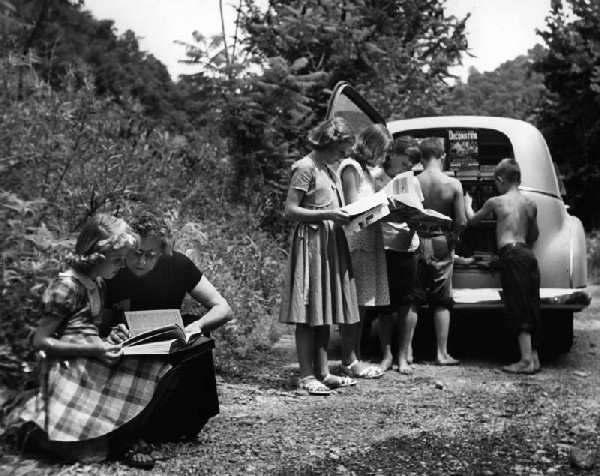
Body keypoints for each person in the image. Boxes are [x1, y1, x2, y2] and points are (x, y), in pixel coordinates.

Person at [3, 214, 172, 469]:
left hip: (90, 357)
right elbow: (41, 340)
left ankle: (122, 435)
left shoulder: (97, 283)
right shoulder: (67, 287)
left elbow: (89, 328)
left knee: (154, 367)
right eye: (117, 260)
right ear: (97, 257)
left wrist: (110, 337)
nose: (122, 266)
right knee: (91, 454)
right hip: (68, 367)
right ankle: (38, 431)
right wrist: (94, 348)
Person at [104, 210, 232, 441]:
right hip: (124, 346)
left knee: (196, 328)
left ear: (162, 251)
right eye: (136, 253)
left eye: (150, 254)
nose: (141, 261)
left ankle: (185, 421)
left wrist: (196, 327)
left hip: (168, 342)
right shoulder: (112, 267)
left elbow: (223, 308)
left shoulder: (178, 264)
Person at [279, 116, 359, 396]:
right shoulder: (305, 167)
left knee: (324, 309)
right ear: (329, 143)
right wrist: (327, 214)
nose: (343, 156)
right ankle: (305, 374)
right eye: (341, 150)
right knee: (306, 311)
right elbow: (290, 210)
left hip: (329, 242)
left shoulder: (328, 168)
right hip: (311, 243)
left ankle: (323, 372)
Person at [464, 158, 541, 374]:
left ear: (500, 180)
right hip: (528, 255)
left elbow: (473, 221)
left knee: (517, 305)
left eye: (495, 183)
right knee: (531, 304)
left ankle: (525, 361)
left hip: (511, 255)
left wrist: (467, 204)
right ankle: (534, 358)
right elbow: (534, 235)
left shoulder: (496, 202)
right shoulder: (531, 204)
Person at [338, 123, 392, 378]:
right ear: (371, 146)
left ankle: (355, 355)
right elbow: (350, 207)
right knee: (354, 302)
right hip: (356, 240)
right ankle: (349, 358)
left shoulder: (369, 172)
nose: (383, 157)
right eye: (382, 150)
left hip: (370, 238)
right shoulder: (351, 167)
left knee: (363, 303)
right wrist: (381, 202)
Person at [414, 138, 467, 366]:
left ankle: (406, 353)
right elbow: (462, 221)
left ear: (421, 157)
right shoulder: (453, 184)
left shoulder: (413, 182)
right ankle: (441, 353)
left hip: (416, 239)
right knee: (442, 299)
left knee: (413, 299)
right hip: (441, 239)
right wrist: (453, 237)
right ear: (442, 155)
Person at [375, 135, 424, 374]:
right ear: (392, 155)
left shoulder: (410, 181)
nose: (407, 168)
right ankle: (386, 355)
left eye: (410, 165)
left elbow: (419, 212)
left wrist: (412, 231)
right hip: (382, 244)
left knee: (406, 303)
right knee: (384, 304)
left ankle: (404, 355)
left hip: (406, 246)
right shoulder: (376, 177)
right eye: (404, 163)